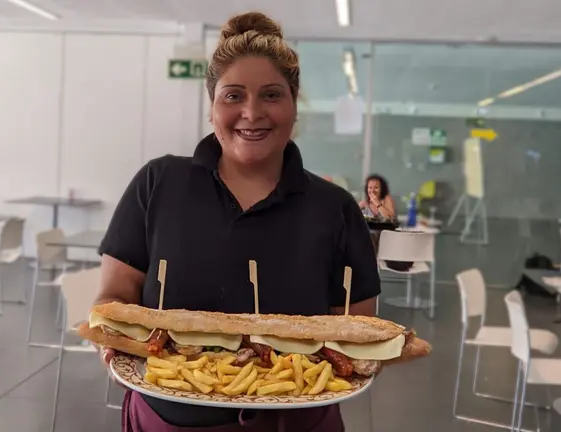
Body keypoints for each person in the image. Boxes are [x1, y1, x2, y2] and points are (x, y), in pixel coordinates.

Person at [93, 12, 379, 432]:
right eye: (233, 96)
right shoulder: (158, 183)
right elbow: (114, 300)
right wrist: (115, 351)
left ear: (294, 105)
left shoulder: (335, 207)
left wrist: (358, 363)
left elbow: (359, 331)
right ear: (211, 107)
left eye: (271, 95)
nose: (251, 112)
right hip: (167, 421)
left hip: (299, 423)